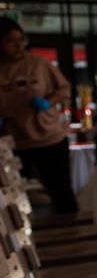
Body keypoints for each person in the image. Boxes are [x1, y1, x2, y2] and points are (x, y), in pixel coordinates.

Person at [0, 17, 78, 213]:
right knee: (14, 200)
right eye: (10, 41)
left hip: (48, 137)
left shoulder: (39, 63)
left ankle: (70, 231)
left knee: (61, 193)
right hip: (14, 142)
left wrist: (48, 102)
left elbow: (64, 88)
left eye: (21, 39)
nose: (18, 45)